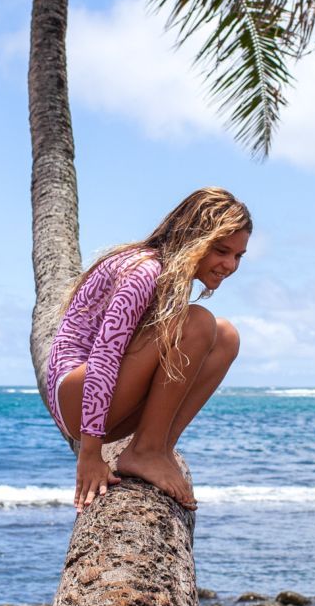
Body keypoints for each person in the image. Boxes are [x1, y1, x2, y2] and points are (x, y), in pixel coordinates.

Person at [46, 187, 251, 515]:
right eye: (221, 250)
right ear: (193, 239)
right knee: (198, 322)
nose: (229, 264)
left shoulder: (169, 275)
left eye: (238, 256)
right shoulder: (144, 271)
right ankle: (145, 451)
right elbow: (103, 359)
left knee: (226, 336)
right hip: (76, 396)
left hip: (108, 405)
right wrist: (89, 455)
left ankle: (159, 447)